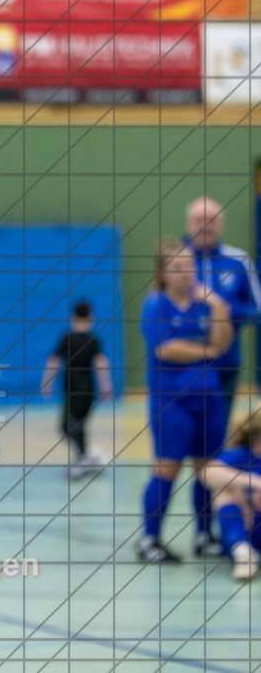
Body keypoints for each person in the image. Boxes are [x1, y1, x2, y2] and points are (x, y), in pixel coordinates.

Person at [137, 239, 232, 564]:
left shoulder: (205, 303)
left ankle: (205, 535)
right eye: (177, 268)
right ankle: (150, 540)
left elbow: (222, 342)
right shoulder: (156, 305)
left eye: (190, 266)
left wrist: (219, 307)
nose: (186, 273)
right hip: (171, 402)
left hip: (208, 399)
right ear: (163, 273)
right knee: (167, 468)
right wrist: (206, 351)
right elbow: (167, 349)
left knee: (208, 469)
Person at [184, 196, 261, 555]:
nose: (206, 226)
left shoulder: (237, 260)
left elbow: (256, 308)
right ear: (189, 223)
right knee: (179, 455)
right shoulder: (178, 260)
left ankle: (209, 532)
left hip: (225, 370)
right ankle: (173, 533)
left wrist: (223, 309)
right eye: (200, 219)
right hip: (183, 371)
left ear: (221, 224)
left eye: (212, 220)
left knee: (212, 452)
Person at [40, 300, 113, 479]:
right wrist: (105, 385)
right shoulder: (92, 340)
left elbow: (53, 361)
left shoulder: (68, 338)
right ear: (91, 318)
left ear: (73, 317)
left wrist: (46, 383)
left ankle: (83, 457)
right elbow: (101, 363)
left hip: (72, 390)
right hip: (88, 390)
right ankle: (84, 456)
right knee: (78, 424)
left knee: (67, 425)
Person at [204, 411, 261, 580]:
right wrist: (254, 482)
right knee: (225, 490)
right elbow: (208, 473)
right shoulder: (241, 455)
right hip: (249, 527)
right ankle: (244, 552)